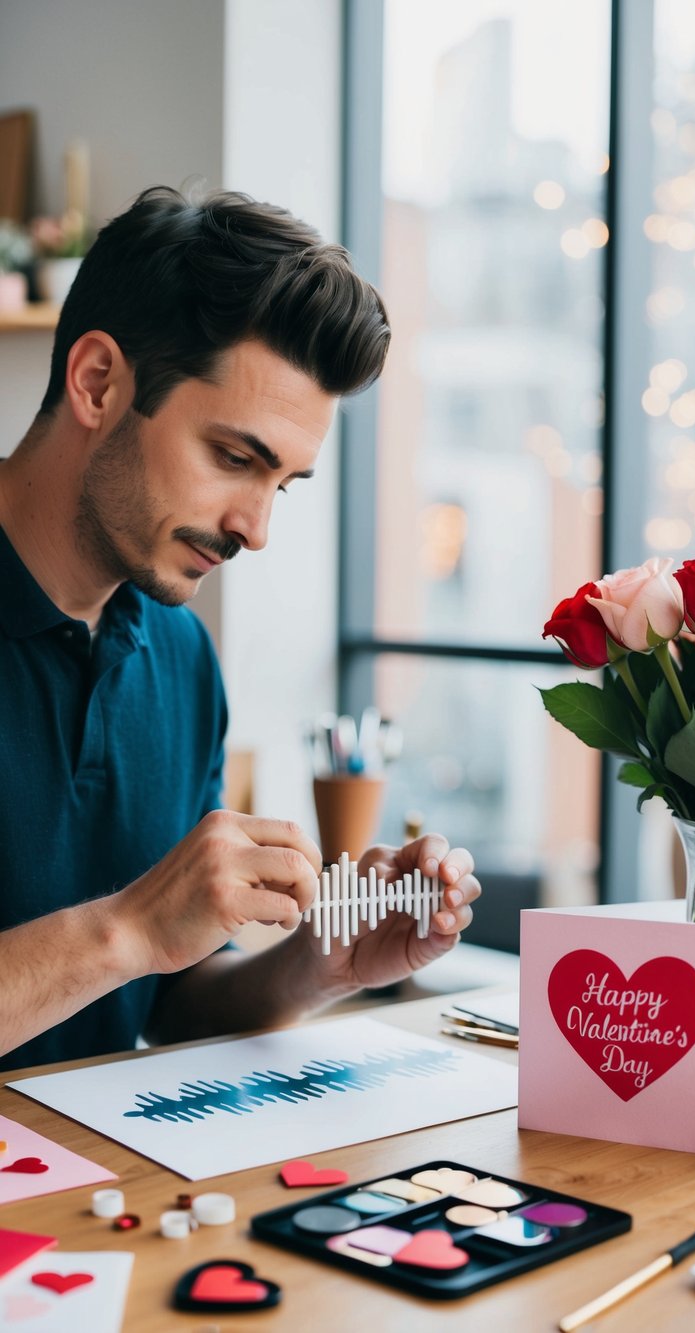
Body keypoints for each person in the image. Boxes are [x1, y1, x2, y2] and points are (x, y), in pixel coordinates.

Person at [0, 186, 480, 1073]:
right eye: (234, 458)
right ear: (98, 382)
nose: (255, 528)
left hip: (97, 1203)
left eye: (283, 483)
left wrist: (314, 968)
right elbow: (134, 944)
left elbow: (166, 1002)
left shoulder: (180, 656)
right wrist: (129, 926)